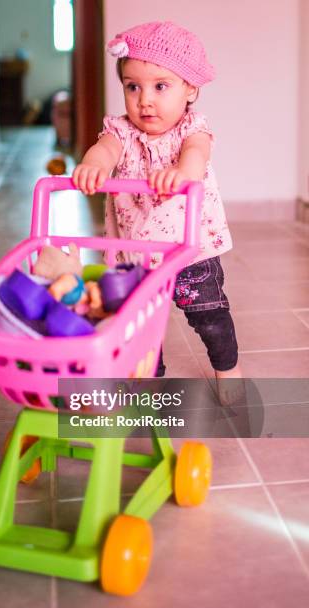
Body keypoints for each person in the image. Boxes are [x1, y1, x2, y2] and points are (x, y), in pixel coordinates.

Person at [72, 21, 242, 398]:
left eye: (160, 86)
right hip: (136, 254)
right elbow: (105, 151)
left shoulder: (191, 129)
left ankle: (228, 369)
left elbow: (197, 155)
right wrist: (94, 164)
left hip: (189, 250)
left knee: (209, 316)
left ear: (190, 90)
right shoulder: (120, 130)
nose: (144, 100)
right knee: (139, 323)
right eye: (133, 87)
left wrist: (183, 172)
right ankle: (149, 382)